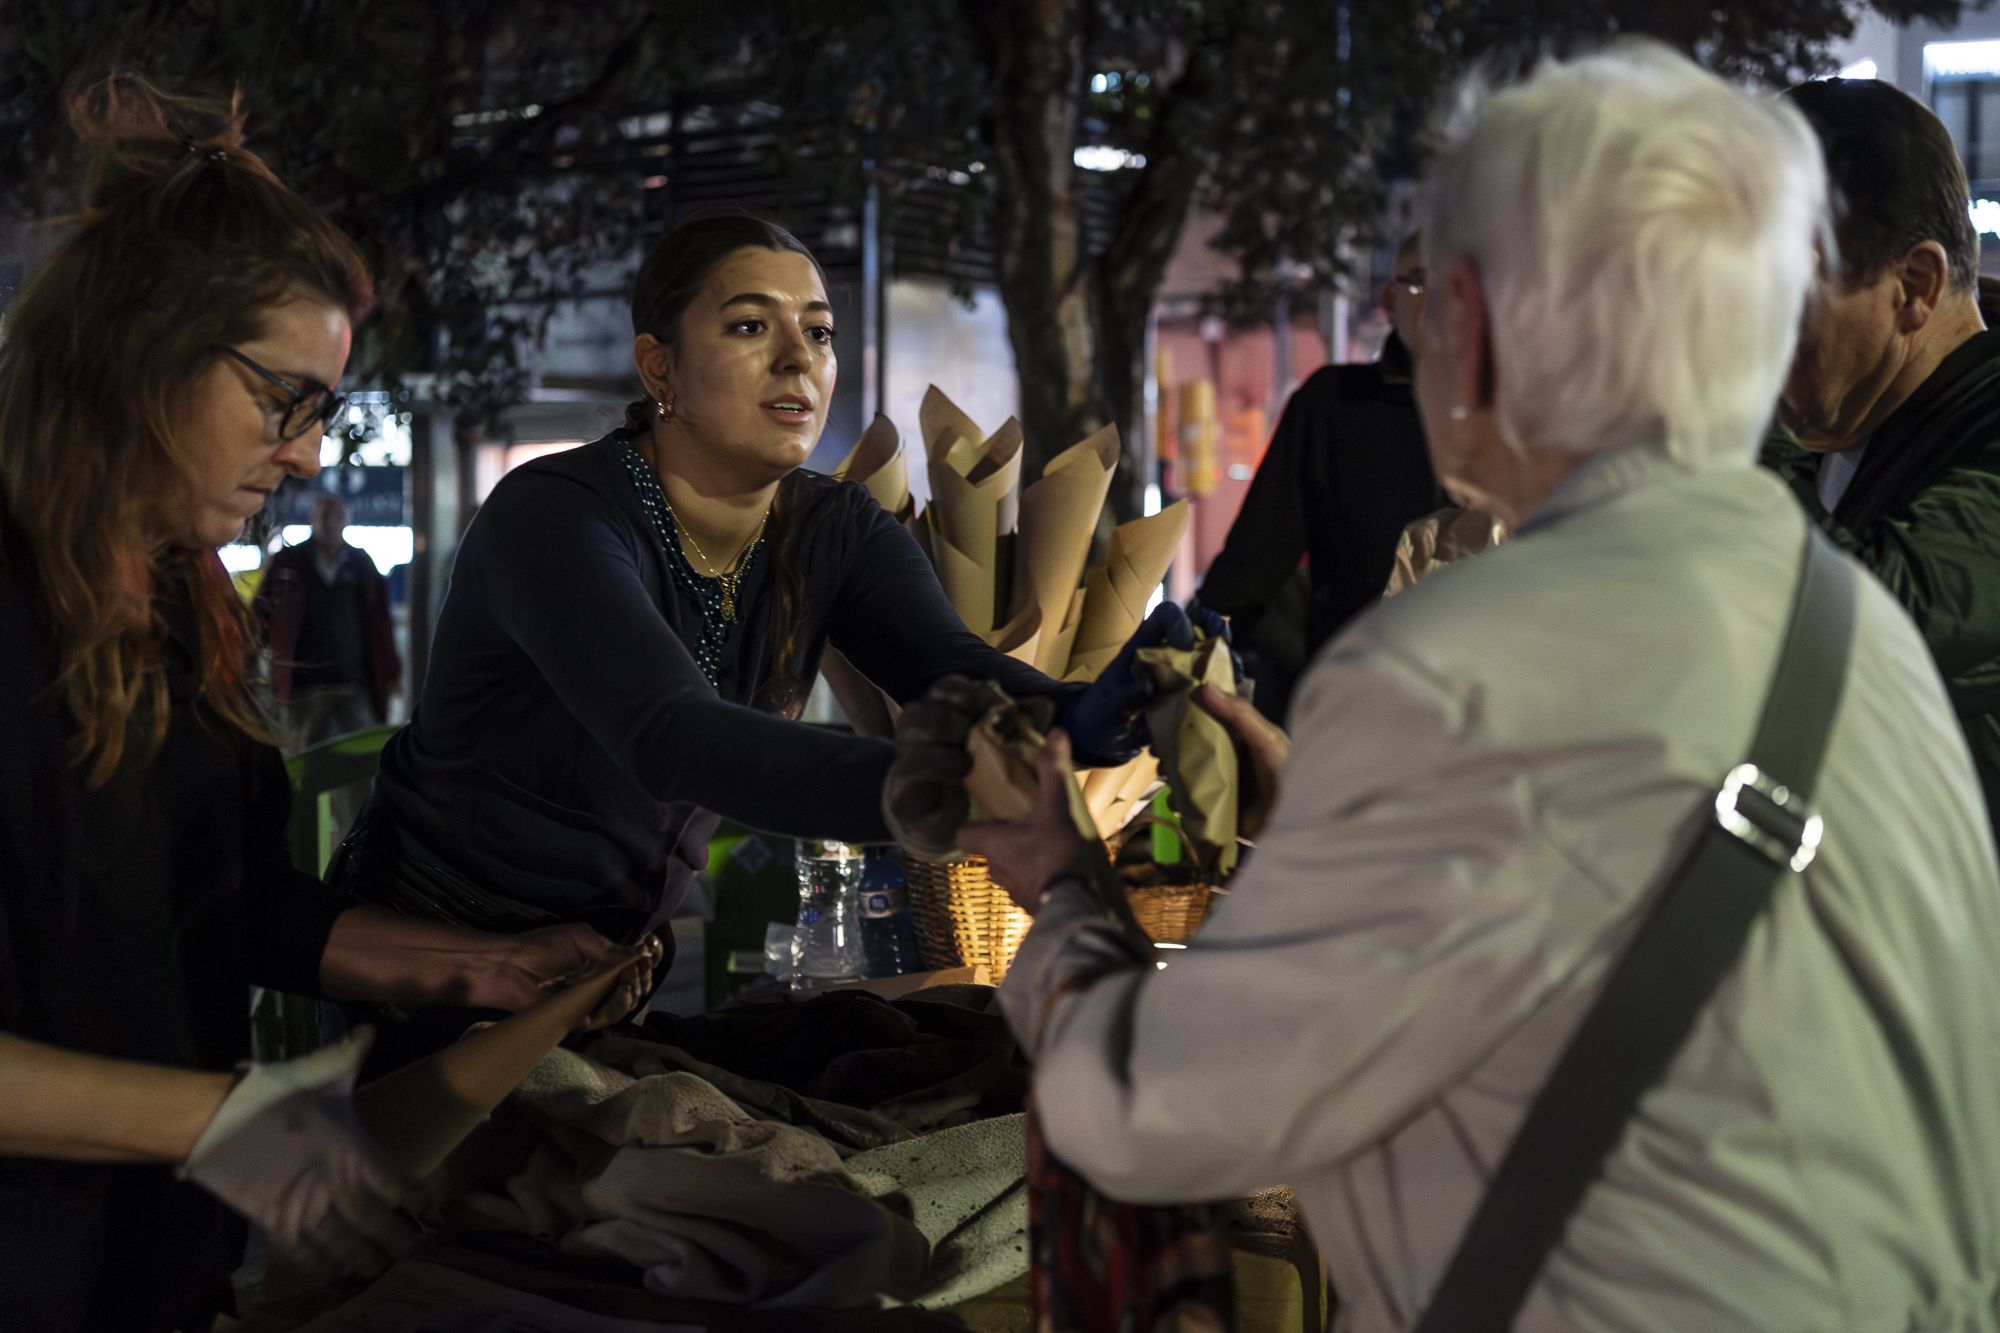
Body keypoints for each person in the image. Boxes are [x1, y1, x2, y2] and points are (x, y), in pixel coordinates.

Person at [935, 44, 2000, 1330]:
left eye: (1430, 290)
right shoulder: (1854, 628)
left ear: (1486, 332)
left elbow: (1151, 1109)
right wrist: (1341, 807)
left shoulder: (1449, 662)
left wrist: (1055, 884)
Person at [0, 79, 654, 1332]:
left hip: (159, 1270)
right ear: (140, 349)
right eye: (281, 399)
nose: (304, 452)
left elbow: (240, 905)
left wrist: (483, 967)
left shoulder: (185, 604)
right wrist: (216, 1118)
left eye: (323, 412)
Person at [333, 212, 1212, 1067]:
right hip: (426, 971)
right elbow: (671, 736)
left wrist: (1090, 712)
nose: (800, 358)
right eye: (751, 325)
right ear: (659, 366)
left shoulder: (835, 527)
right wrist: (939, 791)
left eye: (820, 333)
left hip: (600, 975)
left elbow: (953, 671)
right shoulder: (553, 516)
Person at [1767, 77, 2000, 836]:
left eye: (1785, 302)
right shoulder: (1839, 424)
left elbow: (1873, 629)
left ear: (1914, 286)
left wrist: (1709, 417)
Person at [1194, 230, 1444, 715]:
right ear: (1391, 297)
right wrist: (1191, 652)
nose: (1439, 304)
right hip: (1357, 705)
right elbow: (1255, 561)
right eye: (1421, 282)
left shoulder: (1515, 413)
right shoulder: (1334, 405)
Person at [254, 491, 402, 747]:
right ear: (313, 519)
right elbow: (260, 612)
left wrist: (391, 673)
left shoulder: (361, 564)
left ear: (347, 520)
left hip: (352, 681)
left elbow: (381, 623)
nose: (331, 522)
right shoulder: (289, 562)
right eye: (325, 516)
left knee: (359, 763)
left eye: (337, 516)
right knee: (303, 760)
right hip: (302, 685)